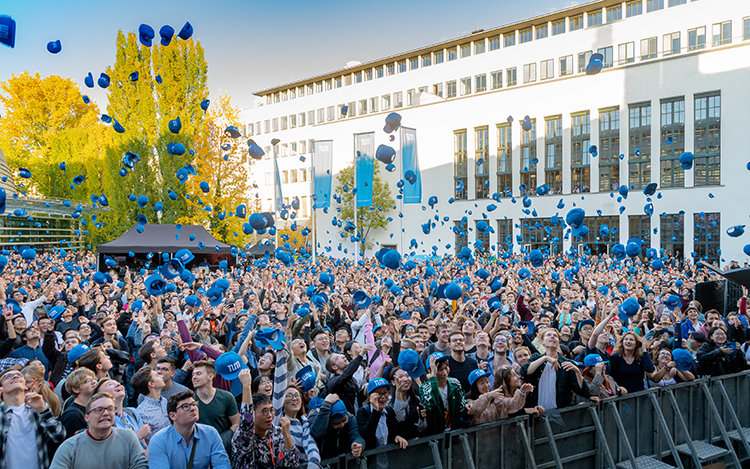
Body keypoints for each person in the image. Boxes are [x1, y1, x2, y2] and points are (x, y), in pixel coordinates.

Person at [50, 392, 148, 469]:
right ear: (86, 418)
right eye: (99, 410)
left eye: (110, 409)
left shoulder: (128, 437)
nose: (106, 413)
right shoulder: (70, 447)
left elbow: (141, 465)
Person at [230, 368, 299, 469]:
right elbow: (247, 422)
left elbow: (293, 464)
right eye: (264, 411)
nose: (270, 415)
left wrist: (287, 435)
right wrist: (246, 386)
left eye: (271, 410)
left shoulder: (278, 433)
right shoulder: (242, 436)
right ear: (252, 414)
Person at [0, 368, 65, 469]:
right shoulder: (1, 414)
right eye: (7, 377)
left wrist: (43, 410)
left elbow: (59, 436)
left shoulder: (38, 408)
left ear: (26, 386)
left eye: (19, 375)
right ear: (1, 389)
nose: (15, 376)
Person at [147, 390, 231, 469]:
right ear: (173, 416)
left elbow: (222, 465)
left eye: (194, 404)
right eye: (186, 406)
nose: (193, 408)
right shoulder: (159, 441)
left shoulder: (210, 433)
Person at [521, 329, 596, 411]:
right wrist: (545, 358)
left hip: (560, 412)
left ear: (559, 343)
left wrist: (577, 372)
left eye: (555, 336)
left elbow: (582, 391)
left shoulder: (567, 363)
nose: (552, 336)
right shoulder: (536, 358)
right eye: (548, 335)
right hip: (537, 411)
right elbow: (524, 371)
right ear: (542, 342)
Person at [192, 360, 239, 452]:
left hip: (222, 448)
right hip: (198, 448)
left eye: (198, 374)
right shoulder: (190, 400)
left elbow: (236, 423)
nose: (194, 377)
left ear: (210, 376)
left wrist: (226, 437)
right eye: (193, 375)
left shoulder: (226, 397)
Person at [418, 353, 469, 435]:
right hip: (436, 437)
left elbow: (462, 408)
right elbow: (433, 404)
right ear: (429, 371)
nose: (444, 373)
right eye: (440, 369)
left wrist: (468, 406)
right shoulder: (424, 388)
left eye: (446, 368)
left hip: (454, 434)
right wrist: (433, 378)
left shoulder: (455, 383)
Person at [356, 377, 409, 450]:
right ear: (370, 396)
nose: (383, 397)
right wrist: (376, 411)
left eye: (385, 393)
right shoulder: (363, 412)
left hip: (388, 457)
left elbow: (394, 432)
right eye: (378, 394)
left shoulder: (389, 411)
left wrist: (397, 437)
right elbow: (366, 436)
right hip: (372, 458)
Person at [466, 369, 532, 425]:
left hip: (499, 438)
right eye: (482, 383)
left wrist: (522, 393)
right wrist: (488, 396)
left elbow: (513, 405)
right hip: (480, 438)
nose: (486, 385)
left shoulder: (496, 399)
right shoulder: (469, 402)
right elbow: (475, 408)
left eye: (487, 381)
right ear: (474, 387)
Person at [308, 393, 364, 460]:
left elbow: (356, 435)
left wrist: (357, 445)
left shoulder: (351, 418)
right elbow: (316, 434)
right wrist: (326, 405)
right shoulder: (315, 417)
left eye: (344, 420)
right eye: (336, 424)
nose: (342, 425)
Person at [326, 343, 374, 415]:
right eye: (338, 358)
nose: (343, 357)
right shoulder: (333, 381)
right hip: (345, 420)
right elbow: (345, 376)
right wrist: (361, 354)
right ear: (335, 367)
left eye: (342, 355)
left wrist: (366, 388)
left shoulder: (352, 380)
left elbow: (357, 400)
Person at [132, 365, 170, 444]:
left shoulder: (164, 401)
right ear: (151, 384)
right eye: (157, 375)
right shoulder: (142, 412)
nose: (162, 376)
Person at [60, 367, 97, 439]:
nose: (94, 382)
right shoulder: (72, 415)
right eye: (87, 381)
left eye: (94, 379)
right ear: (75, 389)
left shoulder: (91, 408)